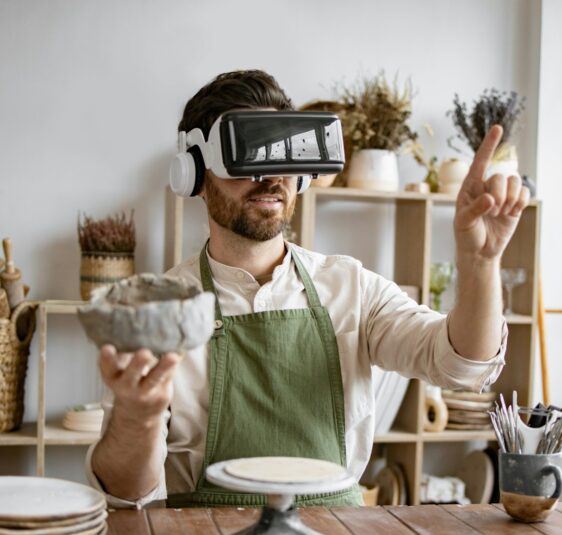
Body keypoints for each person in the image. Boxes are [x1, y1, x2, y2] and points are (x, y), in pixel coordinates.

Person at [87, 69, 529, 508]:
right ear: (195, 173)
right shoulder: (160, 313)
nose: (272, 175)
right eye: (250, 153)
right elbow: (127, 496)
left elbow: (463, 366)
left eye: (283, 154)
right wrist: (138, 418)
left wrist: (481, 263)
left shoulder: (351, 287)